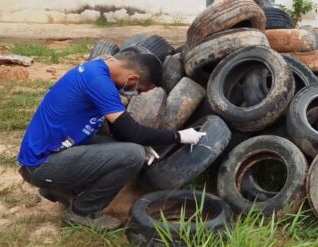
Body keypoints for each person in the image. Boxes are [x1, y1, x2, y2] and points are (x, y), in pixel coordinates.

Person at [17, 49, 205, 229]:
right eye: (139, 90)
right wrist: (178, 136)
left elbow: (121, 130)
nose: (137, 94)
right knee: (133, 155)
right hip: (42, 164)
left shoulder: (99, 70)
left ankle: (57, 189)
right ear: (133, 79)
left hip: (55, 151)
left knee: (124, 147)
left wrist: (141, 142)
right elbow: (133, 132)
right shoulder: (99, 83)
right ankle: (83, 212)